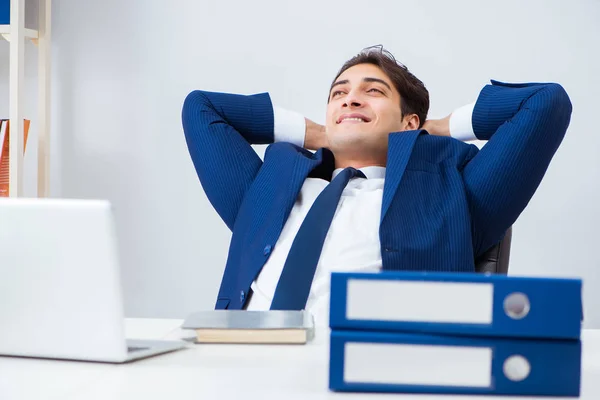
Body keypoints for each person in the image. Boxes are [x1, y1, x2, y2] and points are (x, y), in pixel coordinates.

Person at [181, 45, 572, 324]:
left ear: (409, 121)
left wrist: (433, 128)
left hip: (376, 375)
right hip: (243, 367)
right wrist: (317, 132)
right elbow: (201, 108)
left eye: (373, 91)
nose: (349, 100)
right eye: (339, 94)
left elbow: (545, 103)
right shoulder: (270, 186)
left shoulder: (455, 192)